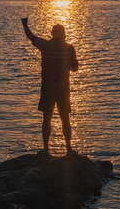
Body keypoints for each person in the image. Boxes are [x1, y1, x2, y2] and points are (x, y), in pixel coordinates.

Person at [21, 16, 79, 156]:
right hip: (63, 89)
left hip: (47, 88)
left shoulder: (45, 45)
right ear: (64, 34)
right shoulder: (69, 48)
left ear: (52, 34)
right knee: (65, 118)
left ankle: (46, 149)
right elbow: (75, 68)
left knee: (46, 119)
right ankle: (69, 149)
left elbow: (31, 37)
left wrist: (25, 24)